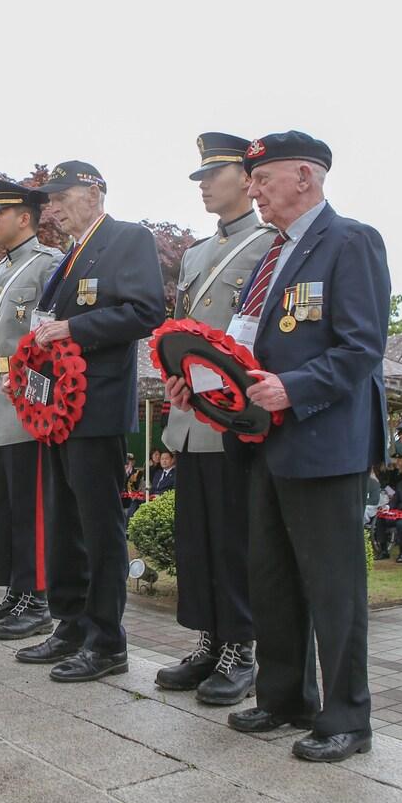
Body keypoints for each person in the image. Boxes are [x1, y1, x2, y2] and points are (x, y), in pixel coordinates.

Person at [219, 131, 388, 764]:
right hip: (264, 439)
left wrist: (292, 388)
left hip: (322, 440)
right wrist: (207, 386)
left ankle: (347, 718)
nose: (253, 189)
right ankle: (285, 696)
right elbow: (244, 346)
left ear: (304, 178)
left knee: (332, 588)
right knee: (272, 579)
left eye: (262, 178)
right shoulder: (272, 256)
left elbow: (361, 346)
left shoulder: (349, 241)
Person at [13, 160, 164, 683]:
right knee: (64, 522)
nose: (51, 208)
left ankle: (107, 641)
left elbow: (147, 311)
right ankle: (71, 624)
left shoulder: (127, 239)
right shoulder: (70, 255)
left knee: (100, 528)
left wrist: (73, 328)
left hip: (96, 406)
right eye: (49, 198)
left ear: (94, 192)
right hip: (58, 408)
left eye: (60, 196)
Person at [155, 131, 275, 700]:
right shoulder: (198, 254)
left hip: (235, 415)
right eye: (200, 177)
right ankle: (208, 639)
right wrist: (177, 377)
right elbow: (182, 332)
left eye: (213, 175)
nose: (203, 185)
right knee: (196, 537)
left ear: (246, 180)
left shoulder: (269, 243)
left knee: (232, 537)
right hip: (191, 413)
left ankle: (241, 647)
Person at [0, 178, 62, 638]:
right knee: (3, 505)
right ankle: (14, 591)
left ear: (24, 218)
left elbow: (50, 338)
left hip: (27, 398)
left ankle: (37, 596)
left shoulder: (49, 265)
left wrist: (38, 394)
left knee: (31, 504)